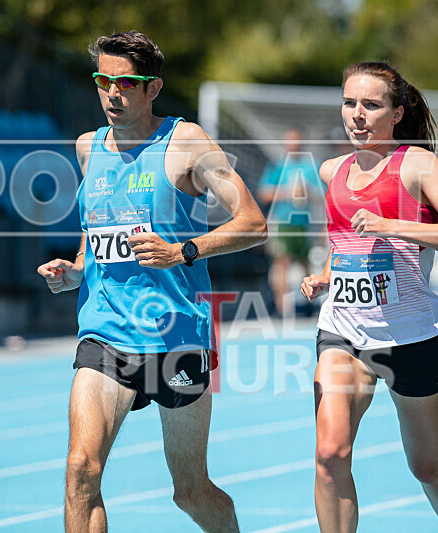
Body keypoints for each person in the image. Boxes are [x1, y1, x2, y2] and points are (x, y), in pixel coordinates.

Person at [37, 31, 267, 533]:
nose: (112, 94)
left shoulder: (186, 143)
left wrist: (182, 250)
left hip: (175, 337)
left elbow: (252, 222)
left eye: (127, 83)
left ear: (153, 88)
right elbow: (94, 232)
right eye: (104, 81)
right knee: (81, 471)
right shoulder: (87, 148)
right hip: (105, 333)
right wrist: (75, 270)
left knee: (190, 492)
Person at [301, 61, 438, 533]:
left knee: (425, 465)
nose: (357, 115)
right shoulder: (331, 171)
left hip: (413, 335)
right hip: (343, 330)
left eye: (371, 105)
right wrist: (325, 275)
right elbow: (347, 241)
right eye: (349, 103)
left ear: (397, 113)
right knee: (329, 452)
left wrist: (394, 225)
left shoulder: (417, 165)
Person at [257, 129, 324, 315]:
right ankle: (281, 308)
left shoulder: (311, 167)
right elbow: (264, 193)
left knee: (305, 263)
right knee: (282, 261)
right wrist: (287, 192)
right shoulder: (278, 166)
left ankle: (309, 303)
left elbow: (324, 193)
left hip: (304, 222)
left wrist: (307, 192)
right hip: (283, 221)